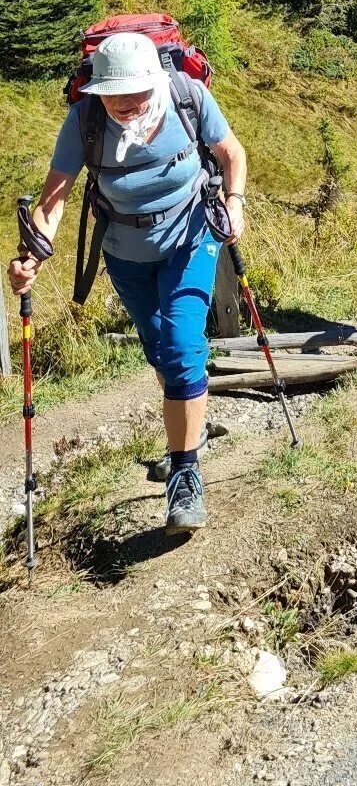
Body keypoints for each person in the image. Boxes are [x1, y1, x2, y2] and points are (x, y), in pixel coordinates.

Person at [6, 30, 248, 533]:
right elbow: (55, 197)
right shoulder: (86, 119)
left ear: (155, 81)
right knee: (161, 350)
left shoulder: (188, 95)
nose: (125, 104)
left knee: (182, 347)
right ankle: (190, 431)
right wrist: (32, 256)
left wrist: (235, 200)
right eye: (113, 94)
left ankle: (185, 478)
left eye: (135, 93)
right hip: (124, 252)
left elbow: (230, 153)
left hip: (190, 237)